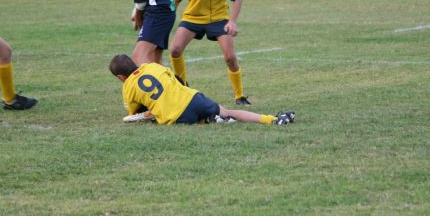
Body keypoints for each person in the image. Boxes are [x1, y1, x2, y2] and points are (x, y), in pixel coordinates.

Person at [169, 0, 251, 106]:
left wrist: (232, 21)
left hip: (218, 18)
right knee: (175, 50)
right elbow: (173, 1)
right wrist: (166, 21)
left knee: (230, 57)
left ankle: (239, 95)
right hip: (192, 17)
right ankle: (183, 88)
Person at [109, 54, 295, 126]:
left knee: (200, 120)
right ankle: (273, 119)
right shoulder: (153, 66)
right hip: (193, 97)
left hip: (176, 116)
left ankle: (212, 120)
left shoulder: (127, 88)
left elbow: (135, 114)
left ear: (120, 78)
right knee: (227, 111)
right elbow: (178, 80)